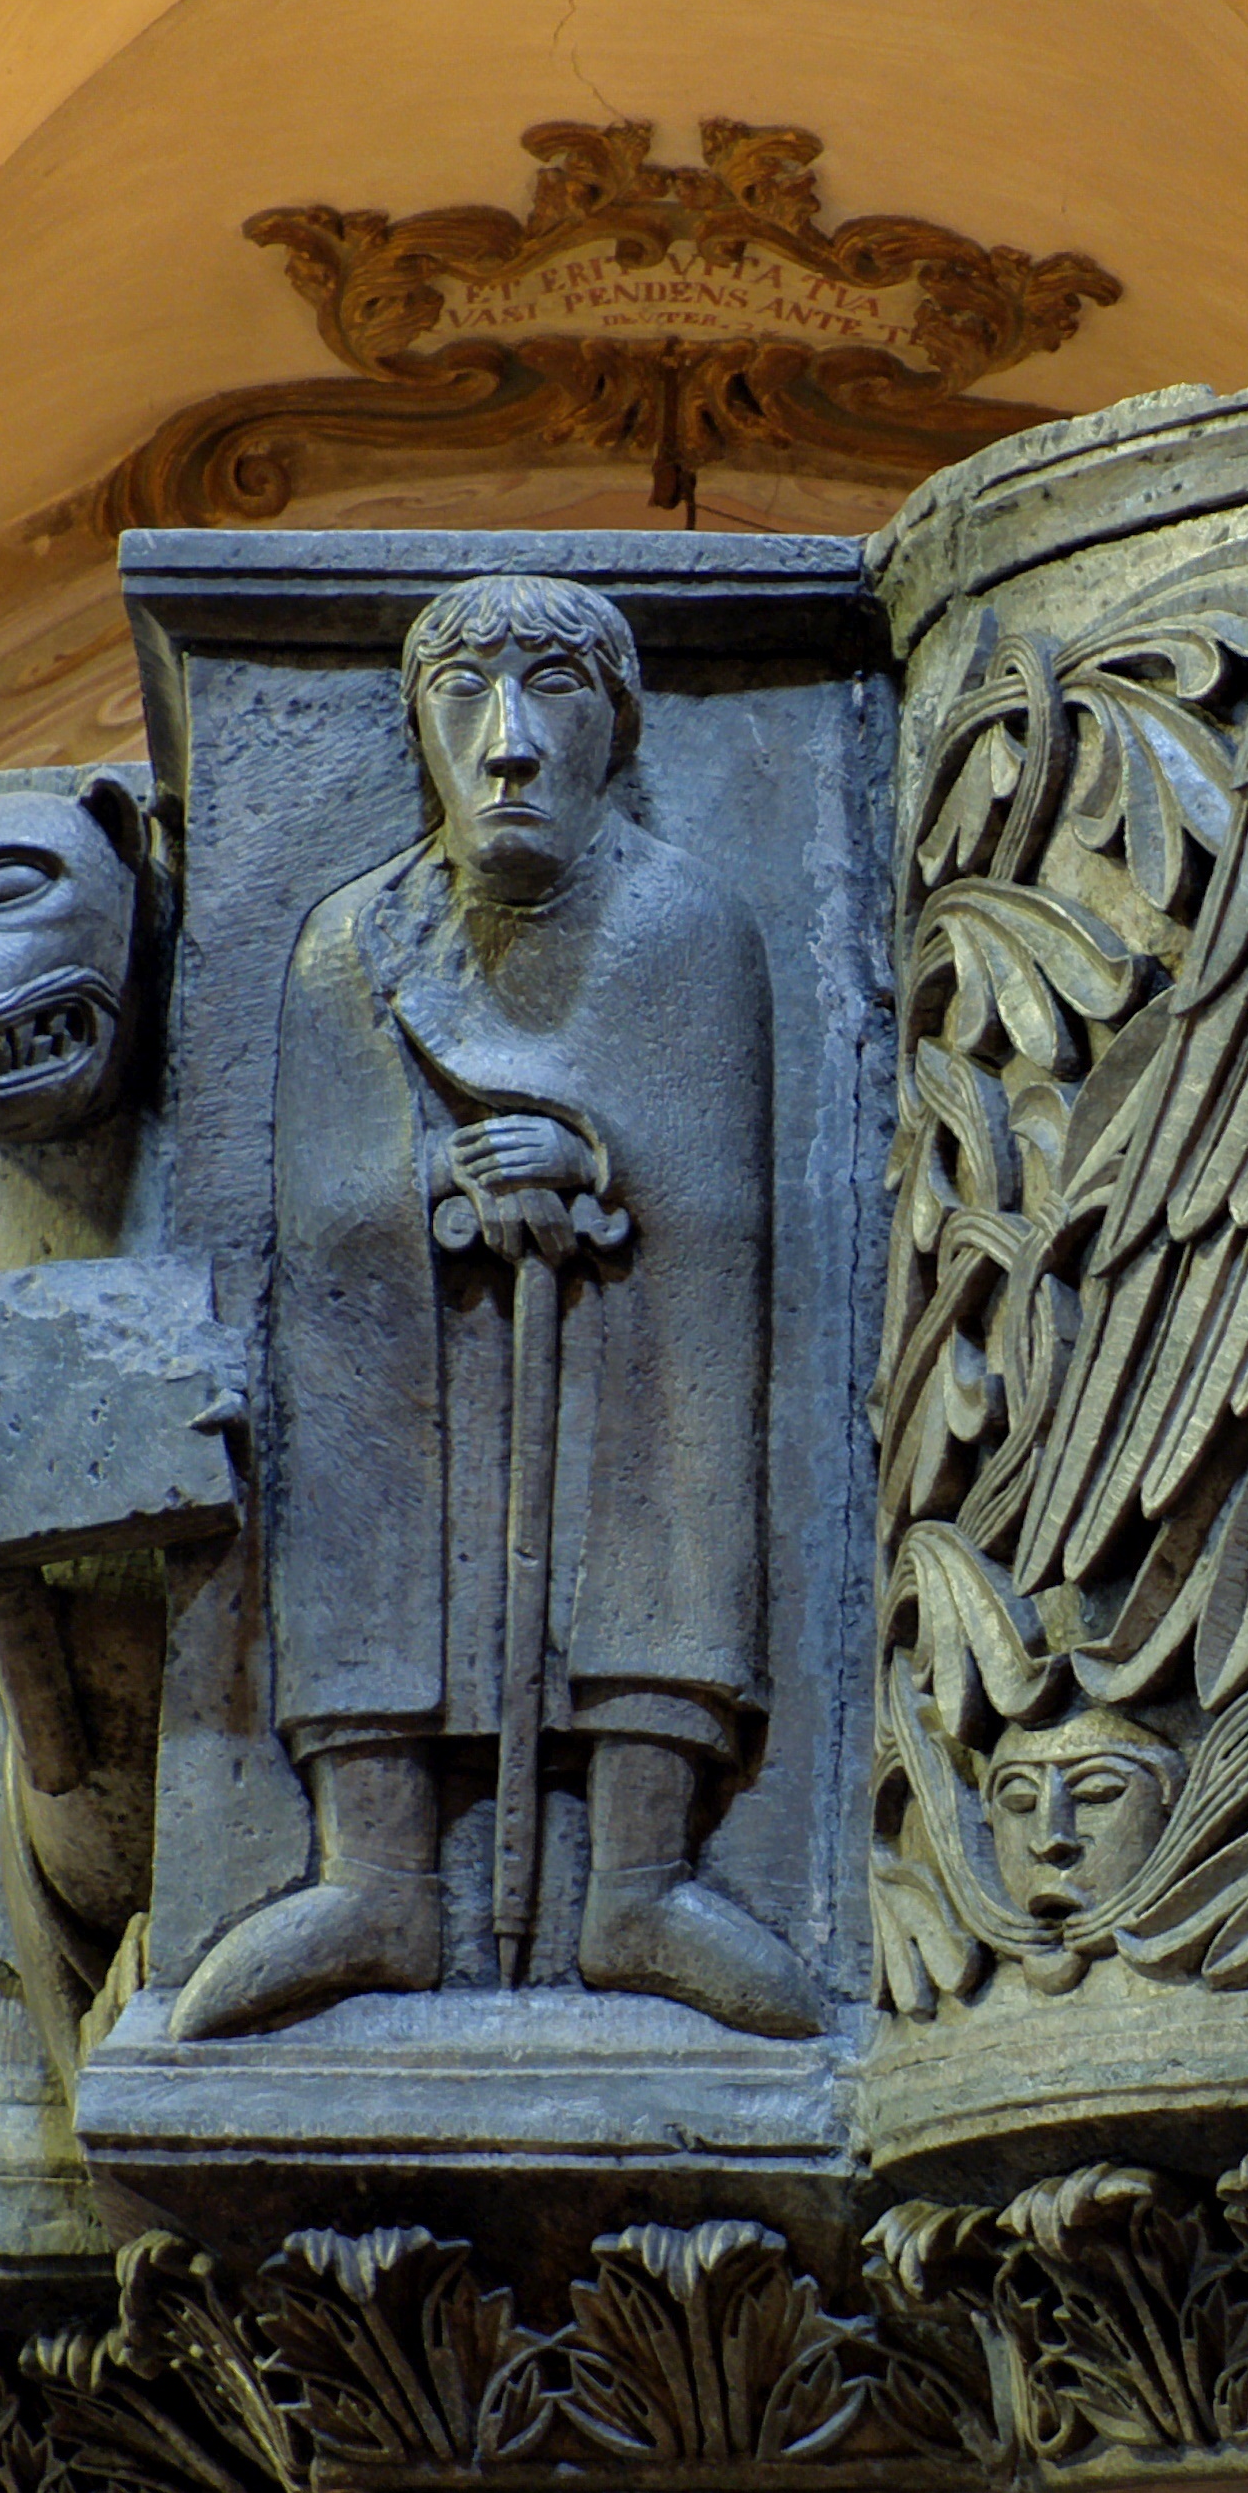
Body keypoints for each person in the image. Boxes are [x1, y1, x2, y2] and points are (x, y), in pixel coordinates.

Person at [172, 572, 812, 2040]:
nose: (509, 741)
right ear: (419, 734)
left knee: (684, 1413)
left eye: (556, 693)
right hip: (414, 1349)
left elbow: (718, 1203)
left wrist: (589, 1158)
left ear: (616, 734)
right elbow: (321, 1213)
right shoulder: (353, 940)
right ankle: (376, 1876)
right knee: (338, 1409)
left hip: (623, 1356)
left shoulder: (687, 924)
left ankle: (642, 1879)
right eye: (466, 695)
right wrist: (440, 1183)